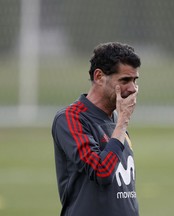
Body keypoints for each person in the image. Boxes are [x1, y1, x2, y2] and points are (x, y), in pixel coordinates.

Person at [51, 42, 141, 216]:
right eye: (125, 80)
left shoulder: (116, 119)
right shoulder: (71, 118)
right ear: (99, 76)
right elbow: (102, 172)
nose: (132, 88)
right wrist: (123, 122)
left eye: (135, 80)